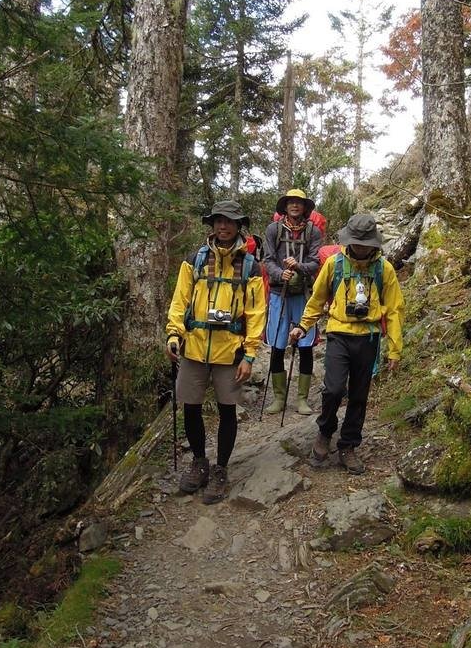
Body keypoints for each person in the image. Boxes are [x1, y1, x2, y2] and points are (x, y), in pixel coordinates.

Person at [166, 200, 266, 503]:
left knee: (227, 410)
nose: (223, 226)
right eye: (218, 221)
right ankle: (199, 461)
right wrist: (174, 333)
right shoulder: (194, 260)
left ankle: (221, 469)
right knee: (191, 407)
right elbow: (179, 299)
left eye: (229, 222)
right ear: (212, 224)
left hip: (230, 349)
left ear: (238, 226)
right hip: (194, 346)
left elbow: (257, 312)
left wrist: (250, 354)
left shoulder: (250, 266)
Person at [289, 212, 404, 475]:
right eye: (357, 241)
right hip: (339, 334)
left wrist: (395, 349)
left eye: (366, 243)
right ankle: (325, 431)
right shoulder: (334, 264)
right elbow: (317, 299)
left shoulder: (383, 269)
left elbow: (396, 310)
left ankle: (348, 444)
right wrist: (303, 326)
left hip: (369, 338)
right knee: (333, 388)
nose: (361, 247)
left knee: (359, 395)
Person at [262, 188, 323, 415]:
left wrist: (298, 267)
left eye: (299, 202)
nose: (295, 206)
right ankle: (279, 398)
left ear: (305, 207)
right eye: (291, 202)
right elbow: (267, 259)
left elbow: (315, 262)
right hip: (279, 293)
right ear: (285, 206)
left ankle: (302, 399)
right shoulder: (273, 230)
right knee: (277, 345)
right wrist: (279, 274)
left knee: (305, 345)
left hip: (304, 294)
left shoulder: (313, 232)